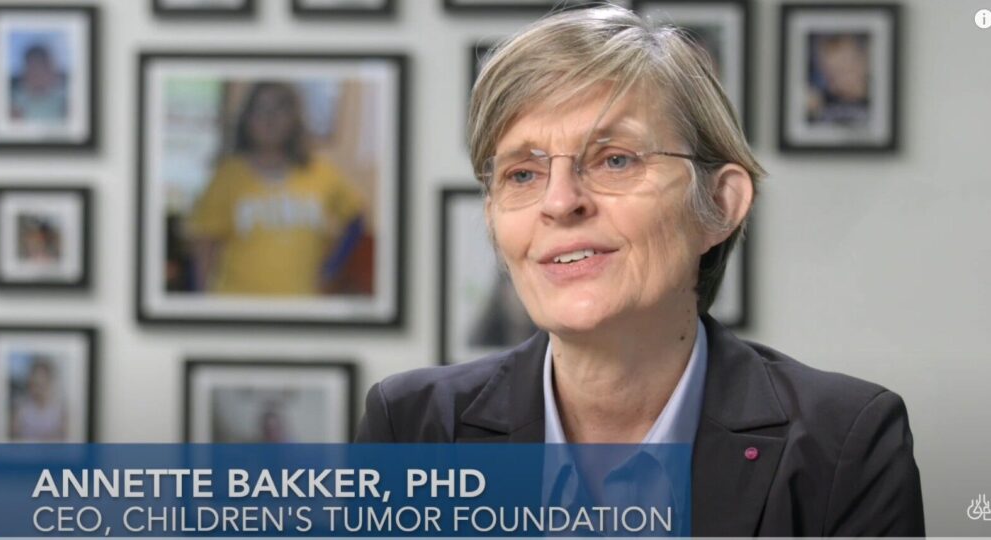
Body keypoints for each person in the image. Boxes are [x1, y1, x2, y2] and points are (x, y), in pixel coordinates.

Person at [356, 5, 924, 536]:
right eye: (523, 174)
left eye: (615, 159)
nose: (559, 202)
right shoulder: (412, 428)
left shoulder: (847, 442)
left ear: (720, 205)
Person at [187, 81, 365, 296]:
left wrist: (331, 269)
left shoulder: (321, 172)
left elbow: (356, 219)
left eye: (279, 108)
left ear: (294, 118)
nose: (269, 119)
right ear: (247, 119)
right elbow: (205, 245)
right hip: (237, 304)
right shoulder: (227, 175)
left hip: (301, 305)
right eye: (260, 109)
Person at [10, 356, 68, 442]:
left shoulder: (60, 410)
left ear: (49, 382)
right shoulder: (21, 409)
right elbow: (12, 438)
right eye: (35, 384)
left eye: (42, 384)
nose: (38, 390)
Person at [10, 43, 68, 123]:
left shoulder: (63, 96)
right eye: (32, 69)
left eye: (41, 68)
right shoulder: (16, 98)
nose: (36, 75)